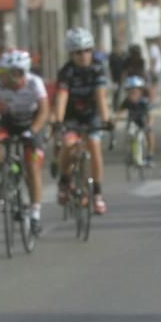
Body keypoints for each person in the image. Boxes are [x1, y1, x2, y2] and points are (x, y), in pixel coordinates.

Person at [0, 49, 49, 234]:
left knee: (33, 167)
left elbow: (44, 111)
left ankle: (35, 213)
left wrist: (33, 131)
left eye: (3, 72)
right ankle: (7, 176)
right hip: (10, 122)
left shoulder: (35, 83)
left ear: (17, 73)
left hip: (32, 123)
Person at [52, 27, 113, 216]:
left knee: (94, 145)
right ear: (71, 53)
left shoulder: (97, 69)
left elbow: (101, 97)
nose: (84, 56)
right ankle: (64, 181)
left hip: (91, 115)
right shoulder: (66, 72)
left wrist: (106, 120)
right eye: (79, 52)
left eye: (88, 50)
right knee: (69, 144)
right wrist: (58, 121)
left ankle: (97, 194)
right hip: (71, 116)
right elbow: (61, 98)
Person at [117, 76, 155, 167]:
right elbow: (120, 113)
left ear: (140, 91)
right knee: (129, 134)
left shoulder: (144, 102)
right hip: (132, 123)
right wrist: (113, 121)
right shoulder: (126, 101)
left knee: (150, 134)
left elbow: (150, 115)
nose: (133, 93)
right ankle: (130, 153)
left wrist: (149, 124)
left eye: (135, 91)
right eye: (130, 91)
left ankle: (150, 156)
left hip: (142, 122)